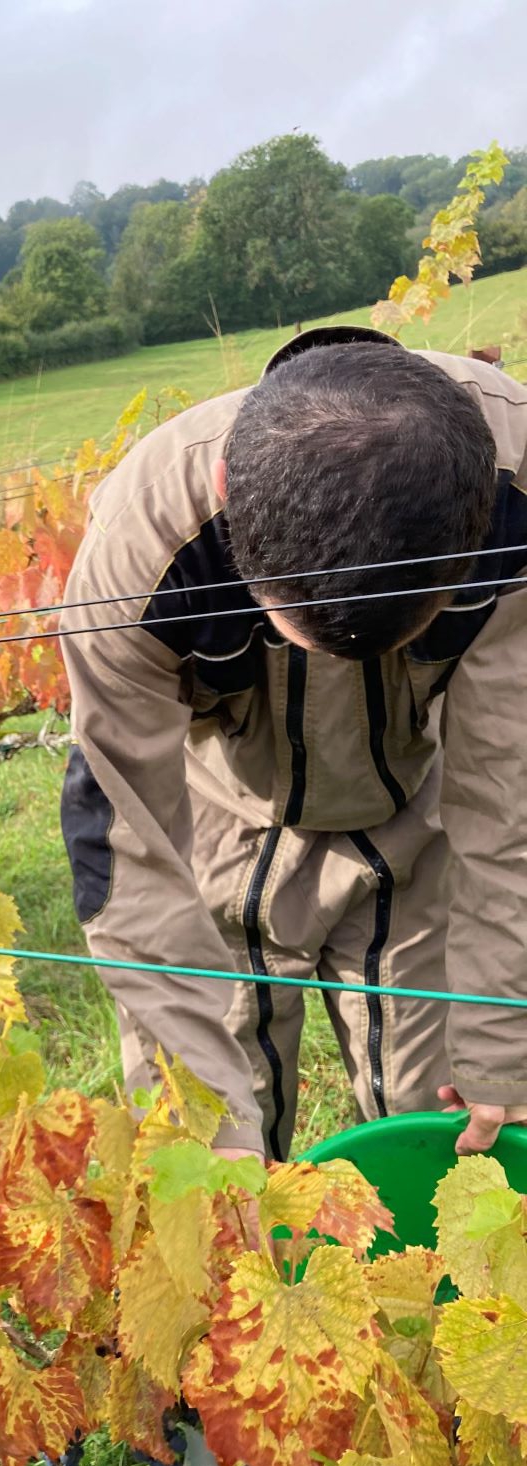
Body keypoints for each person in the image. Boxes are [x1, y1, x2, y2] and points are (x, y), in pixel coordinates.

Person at [60, 326, 527, 1164]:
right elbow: (126, 853)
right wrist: (207, 1134)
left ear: (474, 523)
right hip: (221, 821)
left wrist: (505, 1045)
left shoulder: (516, 488)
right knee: (224, 1118)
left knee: (447, 1116)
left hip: (421, 816)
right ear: (225, 489)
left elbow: (511, 787)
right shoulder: (141, 551)